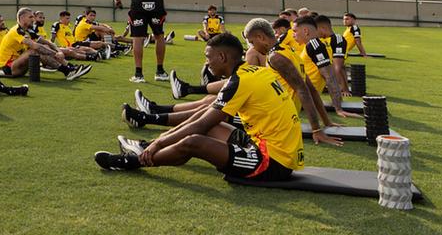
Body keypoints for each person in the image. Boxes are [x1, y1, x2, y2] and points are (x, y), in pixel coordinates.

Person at [94, 33, 303, 181]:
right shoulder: (257, 72)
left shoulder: (240, 82)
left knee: (194, 142)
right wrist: (158, 140)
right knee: (205, 115)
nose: (206, 63)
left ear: (222, 57)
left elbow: (200, 126)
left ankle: (135, 161)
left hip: (272, 162)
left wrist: (158, 145)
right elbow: (204, 118)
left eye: (208, 57)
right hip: (269, 145)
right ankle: (146, 144)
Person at [130, 19, 343, 147]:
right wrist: (326, 122)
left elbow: (303, 89)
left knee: (207, 112)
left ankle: (149, 117)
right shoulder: (288, 52)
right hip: (274, 111)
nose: (250, 47)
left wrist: (316, 129)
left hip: (271, 117)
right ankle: (154, 111)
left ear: (260, 37)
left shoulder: (277, 57)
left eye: (251, 42)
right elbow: (310, 89)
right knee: (210, 101)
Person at [0, 7, 92, 80]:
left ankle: (70, 67)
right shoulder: (16, 31)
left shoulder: (28, 30)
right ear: (22, 18)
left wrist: (59, 51)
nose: (33, 20)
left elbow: (47, 42)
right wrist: (55, 54)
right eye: (30, 17)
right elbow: (35, 46)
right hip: (10, 68)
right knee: (34, 50)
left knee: (44, 46)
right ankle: (67, 71)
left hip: (19, 63)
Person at [295, 15, 361, 119]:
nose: (293, 35)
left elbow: (332, 74)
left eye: (295, 31)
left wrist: (338, 105)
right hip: (300, 96)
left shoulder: (316, 45)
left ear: (306, 31)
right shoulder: (313, 45)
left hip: (298, 98)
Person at [314, 15, 350, 96]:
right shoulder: (319, 40)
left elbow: (338, 67)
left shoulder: (337, 39)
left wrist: (341, 88)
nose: (315, 33)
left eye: (316, 29)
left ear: (323, 28)